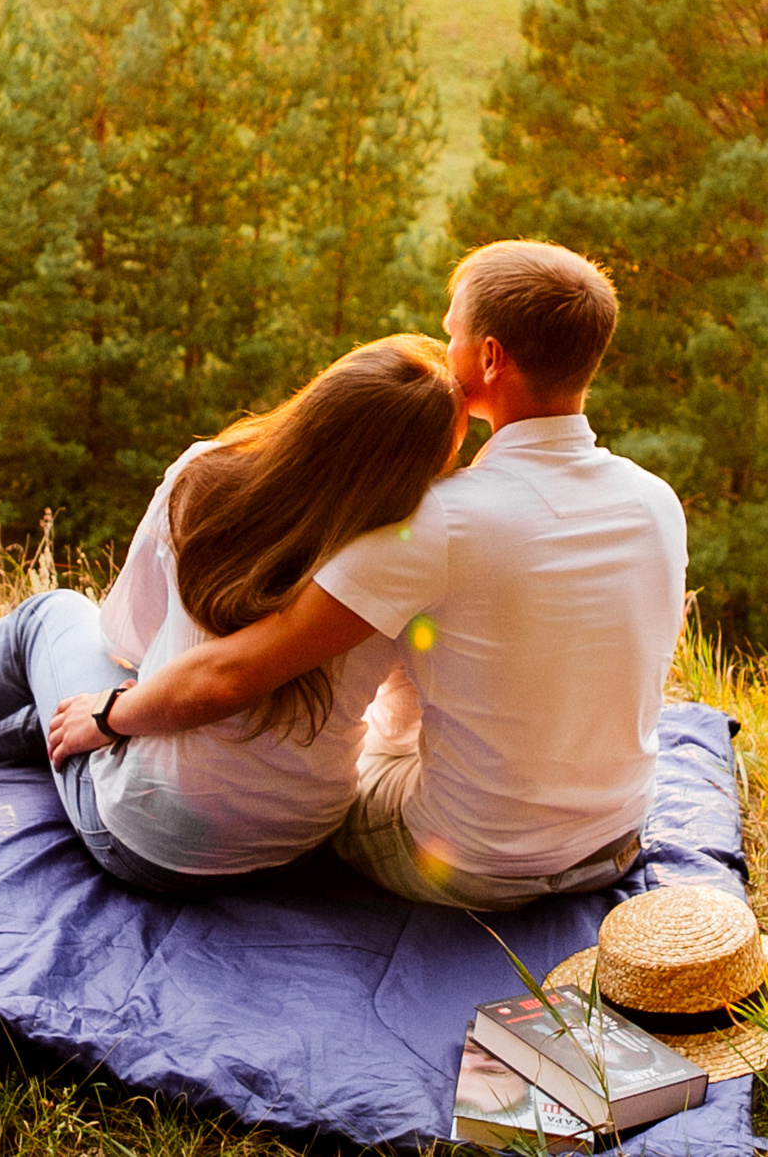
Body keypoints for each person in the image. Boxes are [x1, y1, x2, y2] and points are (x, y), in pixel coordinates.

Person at [48, 240, 685, 911]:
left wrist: (112, 714)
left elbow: (235, 672)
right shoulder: (656, 501)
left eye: (452, 335)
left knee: (347, 760)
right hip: (613, 842)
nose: (443, 349)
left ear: (491, 358)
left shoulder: (435, 522)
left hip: (476, 864)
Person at [0, 334, 467, 894]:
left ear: (320, 406)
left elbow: (126, 642)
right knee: (85, 696)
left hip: (154, 844)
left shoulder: (209, 477)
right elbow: (400, 715)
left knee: (47, 617)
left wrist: (125, 710)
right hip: (297, 839)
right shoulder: (409, 557)